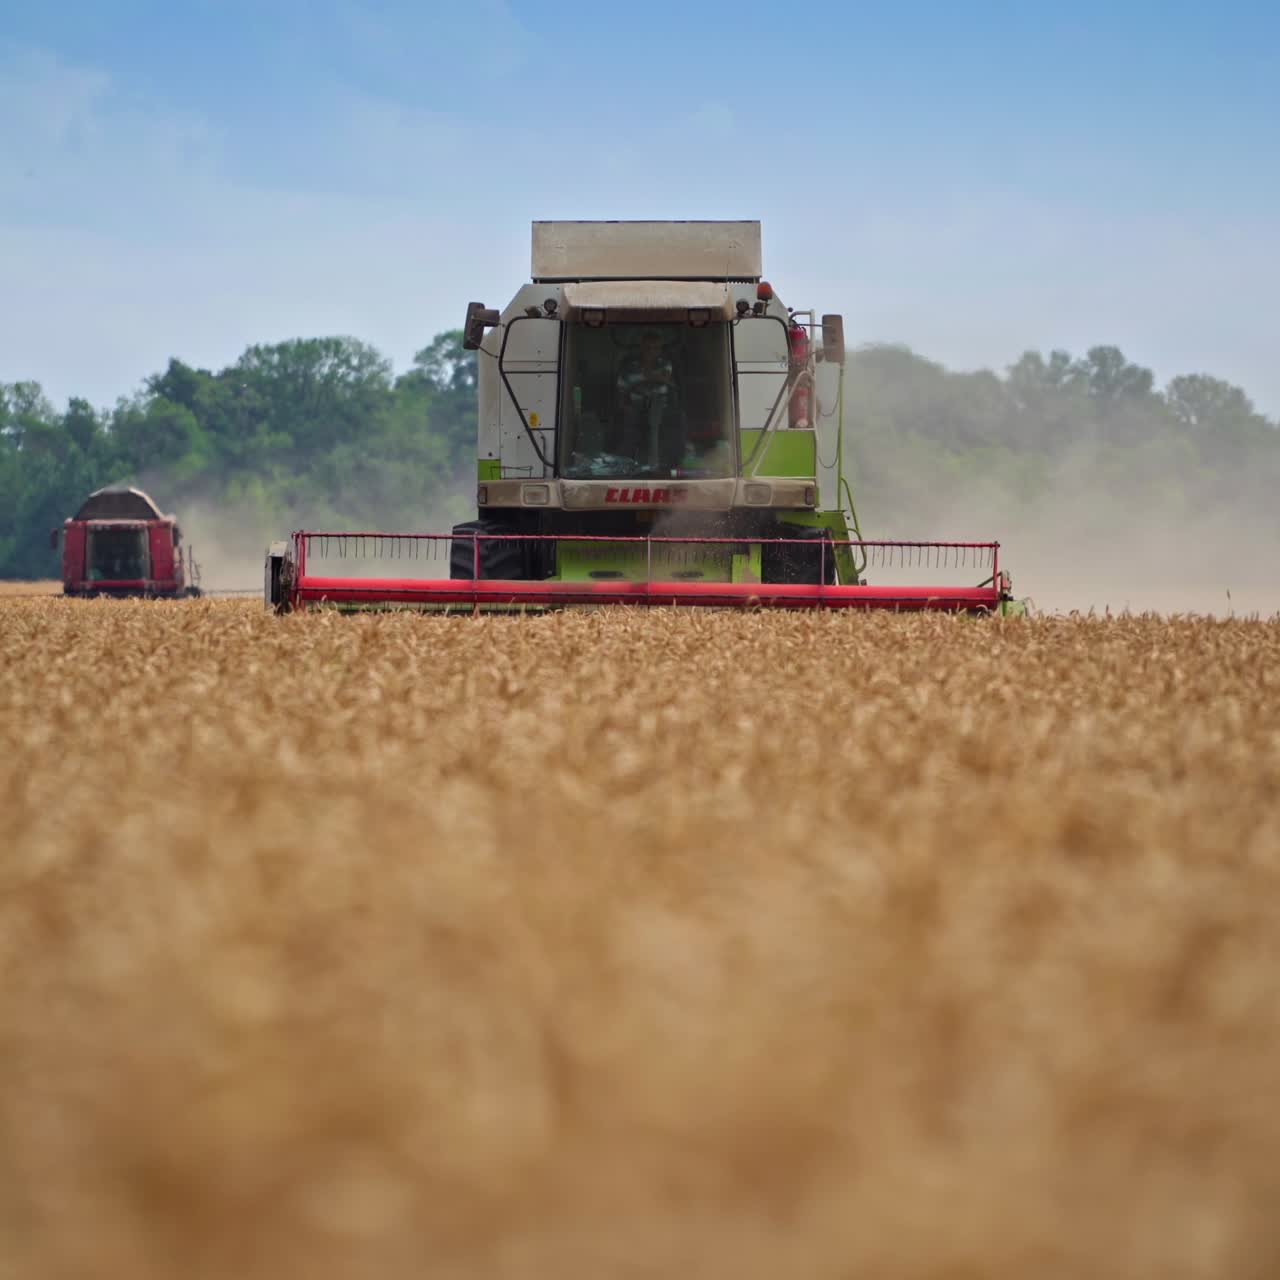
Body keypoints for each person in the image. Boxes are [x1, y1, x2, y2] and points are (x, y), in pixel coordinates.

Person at [615, 329, 679, 467]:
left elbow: (666, 379)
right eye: (648, 348)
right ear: (641, 348)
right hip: (634, 404)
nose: (651, 351)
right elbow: (621, 390)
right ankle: (626, 463)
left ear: (660, 350)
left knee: (658, 421)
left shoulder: (665, 363)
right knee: (628, 429)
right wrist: (624, 406)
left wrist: (647, 376)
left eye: (655, 348)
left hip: (661, 405)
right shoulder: (628, 367)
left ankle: (658, 464)